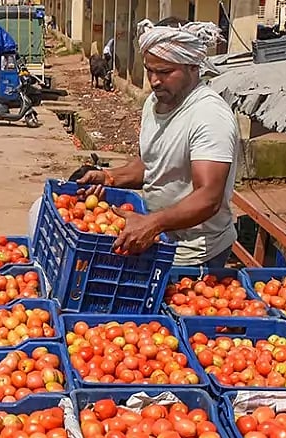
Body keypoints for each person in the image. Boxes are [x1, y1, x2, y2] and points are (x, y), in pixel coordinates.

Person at [74, 18, 240, 267]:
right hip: (158, 238)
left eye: (164, 72)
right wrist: (109, 177)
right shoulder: (154, 104)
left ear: (193, 67)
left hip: (195, 254)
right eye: (150, 70)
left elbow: (209, 197)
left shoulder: (208, 116)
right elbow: (150, 163)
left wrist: (153, 223)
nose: (154, 81)